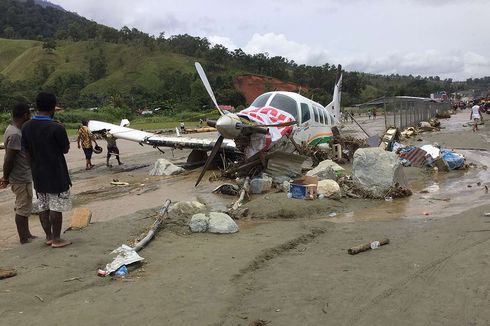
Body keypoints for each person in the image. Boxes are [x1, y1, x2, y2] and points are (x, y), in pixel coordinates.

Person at [22, 92, 72, 248]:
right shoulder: (56, 127)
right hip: (56, 172)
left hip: (38, 172)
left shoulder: (26, 126)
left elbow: (26, 152)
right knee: (56, 206)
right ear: (53, 107)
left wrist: (33, 168)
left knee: (43, 205)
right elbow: (65, 149)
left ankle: (49, 237)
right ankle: (57, 239)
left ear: (36, 107)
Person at [0, 103, 36, 244]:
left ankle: (27, 234)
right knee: (22, 207)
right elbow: (9, 158)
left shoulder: (13, 129)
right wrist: (6, 177)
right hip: (19, 176)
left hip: (22, 175)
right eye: (30, 114)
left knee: (25, 205)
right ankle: (23, 238)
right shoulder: (15, 134)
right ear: (25, 115)